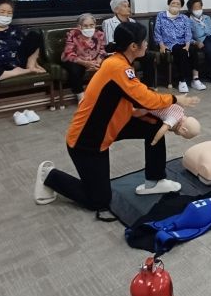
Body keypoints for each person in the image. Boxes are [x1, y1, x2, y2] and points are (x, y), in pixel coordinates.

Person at [33, 23, 200, 220]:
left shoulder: (120, 62)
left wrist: (137, 112)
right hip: (87, 140)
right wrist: (175, 99)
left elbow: (127, 97)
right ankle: (50, 175)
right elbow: (145, 98)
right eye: (144, 41)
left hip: (113, 125)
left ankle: (154, 181)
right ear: (133, 46)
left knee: (152, 126)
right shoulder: (117, 66)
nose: (147, 44)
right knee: (99, 201)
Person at [154, 0, 203, 93]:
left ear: (181, 6)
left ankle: (195, 79)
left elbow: (188, 32)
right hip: (169, 44)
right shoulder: (161, 16)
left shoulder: (184, 18)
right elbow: (157, 32)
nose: (175, 5)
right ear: (169, 4)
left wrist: (188, 45)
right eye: (173, 3)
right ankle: (182, 81)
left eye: (178, 4)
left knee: (193, 50)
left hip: (183, 42)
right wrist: (161, 45)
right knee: (182, 52)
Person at [102, 0, 156, 87]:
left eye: (128, 6)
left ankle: (148, 85)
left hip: (133, 50)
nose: (128, 8)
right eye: (125, 6)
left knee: (149, 56)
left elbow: (137, 39)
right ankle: (128, 86)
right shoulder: (108, 22)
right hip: (117, 51)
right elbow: (110, 43)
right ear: (116, 10)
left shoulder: (132, 21)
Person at [61, 13, 107, 102]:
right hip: (76, 60)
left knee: (109, 64)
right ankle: (81, 97)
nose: (89, 28)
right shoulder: (72, 34)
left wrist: (97, 62)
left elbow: (102, 51)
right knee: (75, 69)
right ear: (79, 26)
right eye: (85, 26)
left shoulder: (99, 34)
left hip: (94, 60)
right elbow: (69, 53)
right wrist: (85, 63)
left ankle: (104, 94)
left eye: (91, 25)